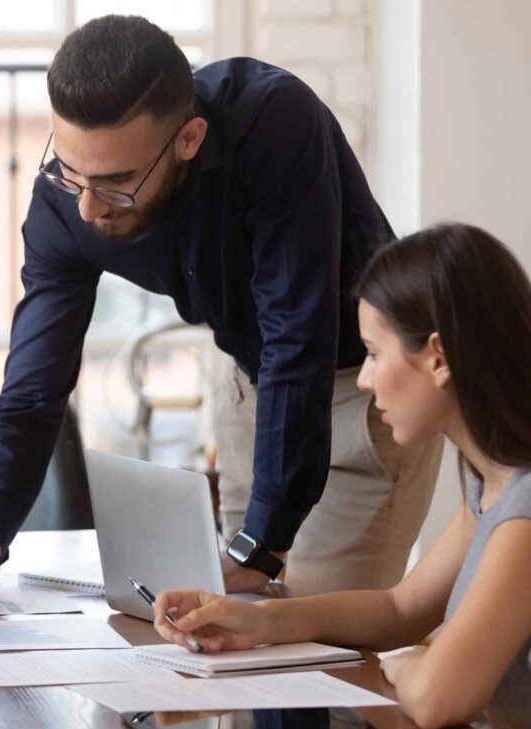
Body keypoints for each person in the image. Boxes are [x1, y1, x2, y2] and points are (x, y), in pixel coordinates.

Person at [0, 15, 443, 609]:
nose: (88, 208)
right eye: (71, 170)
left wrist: (261, 547)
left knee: (319, 645)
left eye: (117, 183)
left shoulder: (274, 123)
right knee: (238, 646)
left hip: (366, 398)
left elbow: (298, 337)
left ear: (188, 139)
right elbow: (33, 389)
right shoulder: (64, 202)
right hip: (253, 390)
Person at [153, 223, 531, 729]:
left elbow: (440, 699)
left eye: (374, 354)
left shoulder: (524, 506)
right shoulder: (492, 480)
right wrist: (254, 622)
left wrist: (417, 663)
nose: (366, 379)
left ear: (438, 358)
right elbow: (402, 610)